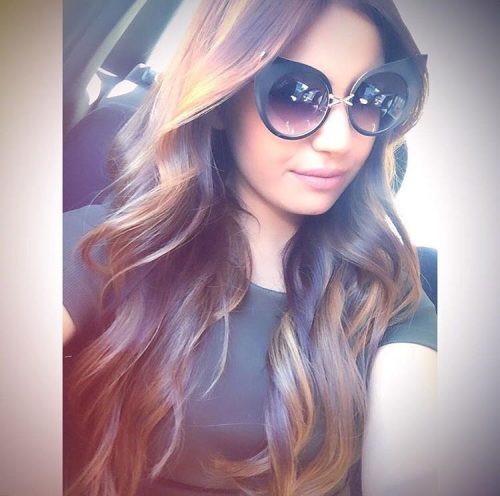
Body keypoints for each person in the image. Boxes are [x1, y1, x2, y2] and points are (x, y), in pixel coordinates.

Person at [63, 0, 437, 494]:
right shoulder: (109, 247)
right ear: (222, 99)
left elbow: (413, 471)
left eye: (371, 97)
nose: (340, 141)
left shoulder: (387, 288)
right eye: (295, 95)